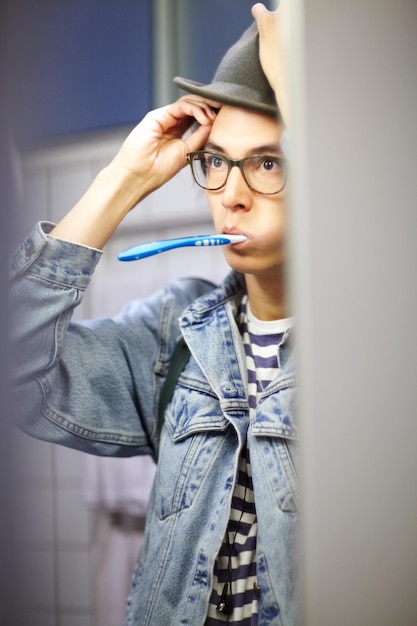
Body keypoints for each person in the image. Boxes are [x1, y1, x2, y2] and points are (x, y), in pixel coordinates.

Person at [10, 3, 297, 625]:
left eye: (270, 161)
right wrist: (123, 178)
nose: (232, 194)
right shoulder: (175, 338)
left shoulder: (382, 347)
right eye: (217, 160)